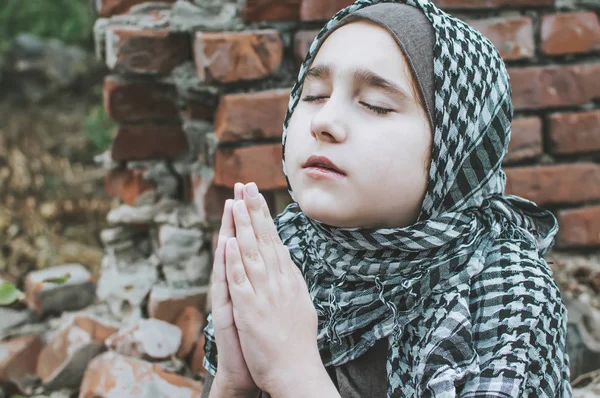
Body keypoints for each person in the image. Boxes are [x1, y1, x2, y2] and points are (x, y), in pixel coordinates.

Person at [201, 0, 572, 397]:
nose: (325, 122)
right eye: (314, 95)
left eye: (375, 105)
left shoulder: (504, 290)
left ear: (454, 148)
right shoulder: (282, 255)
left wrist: (292, 374)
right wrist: (232, 383)